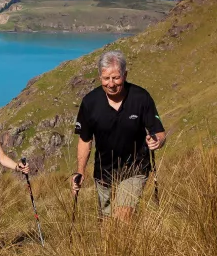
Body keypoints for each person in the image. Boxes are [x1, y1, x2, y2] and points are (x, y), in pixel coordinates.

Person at [71, 50, 166, 223]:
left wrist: (157, 141)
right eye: (106, 78)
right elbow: (85, 140)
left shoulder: (140, 97)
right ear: (99, 76)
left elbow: (159, 131)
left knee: (122, 218)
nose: (111, 84)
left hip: (135, 170)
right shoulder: (90, 103)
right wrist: (80, 171)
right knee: (107, 226)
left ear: (125, 75)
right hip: (104, 173)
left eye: (116, 78)